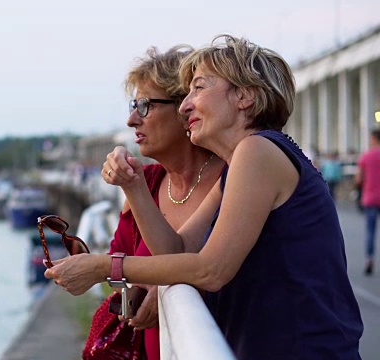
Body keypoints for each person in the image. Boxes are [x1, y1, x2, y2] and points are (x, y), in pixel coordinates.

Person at [46, 34, 363, 359]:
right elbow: (175, 249)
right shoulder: (240, 165)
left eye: (199, 87)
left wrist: (103, 267)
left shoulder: (259, 151)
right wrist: (135, 184)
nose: (185, 105)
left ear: (245, 96)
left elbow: (211, 270)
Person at [89, 45, 225, 360]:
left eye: (145, 105)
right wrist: (142, 287)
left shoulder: (232, 180)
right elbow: (120, 272)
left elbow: (229, 272)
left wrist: (161, 285)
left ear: (186, 109)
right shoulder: (146, 183)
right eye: (133, 105)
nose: (131, 119)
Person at [355, 128, 380, 275]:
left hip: (370, 197)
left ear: (373, 139)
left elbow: (358, 178)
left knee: (370, 230)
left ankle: (369, 259)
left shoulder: (366, 156)